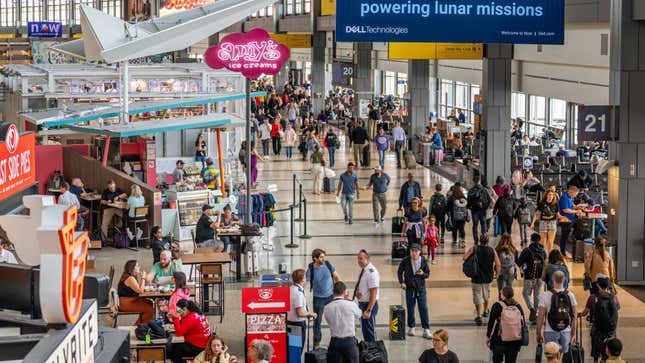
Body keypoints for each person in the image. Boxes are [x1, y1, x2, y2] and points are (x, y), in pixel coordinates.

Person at [578, 276, 620, 363]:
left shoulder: (593, 297)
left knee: (596, 355)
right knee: (609, 355)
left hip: (597, 331)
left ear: (598, 285)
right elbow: (617, 308)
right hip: (611, 332)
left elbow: (585, 312)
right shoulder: (614, 297)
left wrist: (579, 314)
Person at [536, 270, 578, 354]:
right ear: (564, 279)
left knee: (552, 357)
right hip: (566, 330)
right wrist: (573, 334)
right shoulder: (570, 295)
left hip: (549, 330)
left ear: (553, 279)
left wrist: (538, 333)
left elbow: (540, 316)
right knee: (562, 357)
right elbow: (574, 316)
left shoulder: (545, 295)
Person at [306, 249, 341, 348]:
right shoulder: (311, 270)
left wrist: (341, 290)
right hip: (318, 298)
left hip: (331, 296)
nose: (323, 259)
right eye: (321, 257)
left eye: (323, 256)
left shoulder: (328, 265)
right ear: (315, 258)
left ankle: (338, 337)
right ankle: (317, 341)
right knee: (317, 321)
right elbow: (304, 281)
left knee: (336, 317)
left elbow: (337, 277)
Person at [463, 235, 500, 326]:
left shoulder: (474, 248)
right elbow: (498, 264)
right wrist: (497, 274)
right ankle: (486, 310)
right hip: (488, 277)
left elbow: (464, 258)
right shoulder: (492, 250)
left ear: (479, 241)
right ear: (487, 241)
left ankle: (478, 316)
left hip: (476, 277)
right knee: (486, 295)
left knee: (477, 296)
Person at [397, 243, 431, 338]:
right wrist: (402, 282)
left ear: (420, 252)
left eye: (416, 251)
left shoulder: (423, 260)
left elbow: (428, 274)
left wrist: (423, 273)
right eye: (412, 251)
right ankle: (411, 327)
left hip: (421, 289)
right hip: (410, 289)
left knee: (423, 309)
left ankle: (426, 329)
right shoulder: (405, 260)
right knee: (410, 309)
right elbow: (399, 272)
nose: (414, 253)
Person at [324, 281, 362, 363]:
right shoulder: (351, 304)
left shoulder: (327, 307)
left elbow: (329, 321)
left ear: (333, 292)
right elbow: (359, 314)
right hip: (349, 342)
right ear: (345, 292)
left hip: (334, 342)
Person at [486, 286, 526, 363]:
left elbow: (491, 322)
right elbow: (523, 323)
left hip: (499, 341)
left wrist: (488, 336)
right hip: (514, 341)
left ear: (503, 295)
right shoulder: (518, 306)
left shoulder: (497, 305)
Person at [517, 233, 547, 324]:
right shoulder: (542, 250)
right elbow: (545, 259)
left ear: (531, 240)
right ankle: (536, 313)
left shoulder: (527, 250)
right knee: (537, 294)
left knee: (525, 293)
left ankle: (531, 309)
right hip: (540, 275)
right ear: (539, 240)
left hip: (530, 275)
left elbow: (519, 262)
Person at [288, 269, 317, 353]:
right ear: (302, 279)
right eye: (305, 277)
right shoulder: (298, 293)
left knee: (293, 349)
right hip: (297, 325)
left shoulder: (291, 288)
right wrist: (311, 314)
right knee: (297, 350)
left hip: (291, 322)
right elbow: (300, 312)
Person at [353, 249, 380, 342]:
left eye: (361, 258)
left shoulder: (371, 272)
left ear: (367, 259)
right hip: (363, 304)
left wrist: (369, 310)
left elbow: (374, 292)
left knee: (369, 332)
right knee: (365, 331)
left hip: (368, 305)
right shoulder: (364, 270)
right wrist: (357, 292)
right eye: (358, 259)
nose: (358, 261)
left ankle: (372, 351)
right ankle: (369, 350)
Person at [117, 260, 154, 325]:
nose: (139, 267)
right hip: (126, 304)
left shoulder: (130, 276)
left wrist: (146, 282)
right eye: (137, 266)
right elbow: (140, 291)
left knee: (150, 303)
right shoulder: (130, 278)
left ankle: (139, 326)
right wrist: (143, 278)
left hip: (130, 301)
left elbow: (138, 288)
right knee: (150, 309)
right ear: (133, 268)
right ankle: (142, 327)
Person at [531, 188, 560, 253]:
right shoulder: (541, 203)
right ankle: (542, 256)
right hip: (543, 223)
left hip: (552, 223)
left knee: (550, 242)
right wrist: (532, 223)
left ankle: (550, 257)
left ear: (554, 196)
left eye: (552, 195)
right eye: (549, 195)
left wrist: (564, 218)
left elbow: (558, 215)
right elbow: (536, 214)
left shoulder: (555, 204)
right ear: (546, 195)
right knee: (542, 242)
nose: (550, 196)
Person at [558, 185, 584, 257]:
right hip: (565, 220)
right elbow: (565, 210)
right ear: (571, 192)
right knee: (564, 237)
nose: (576, 196)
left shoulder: (570, 197)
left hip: (572, 219)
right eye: (575, 194)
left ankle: (573, 236)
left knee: (580, 224)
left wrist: (578, 207)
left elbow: (572, 205)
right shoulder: (564, 198)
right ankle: (562, 252)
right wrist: (576, 211)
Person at [467, 175, 492, 243]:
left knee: (475, 225)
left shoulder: (471, 190)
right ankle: (483, 238)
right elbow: (489, 200)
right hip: (483, 211)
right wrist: (485, 207)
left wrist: (470, 207)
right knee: (483, 224)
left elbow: (468, 201)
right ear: (479, 181)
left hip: (474, 211)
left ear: (474, 181)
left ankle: (476, 240)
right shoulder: (485, 190)